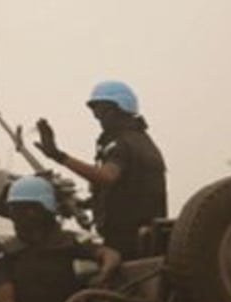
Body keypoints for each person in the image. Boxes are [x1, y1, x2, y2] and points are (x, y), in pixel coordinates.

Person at [33, 80, 167, 261]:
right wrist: (83, 204)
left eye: (102, 110)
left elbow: (106, 177)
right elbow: (128, 191)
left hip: (128, 243)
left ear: (121, 108)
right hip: (142, 238)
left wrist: (59, 156)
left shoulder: (122, 142)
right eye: (95, 112)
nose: (98, 117)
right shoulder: (142, 141)